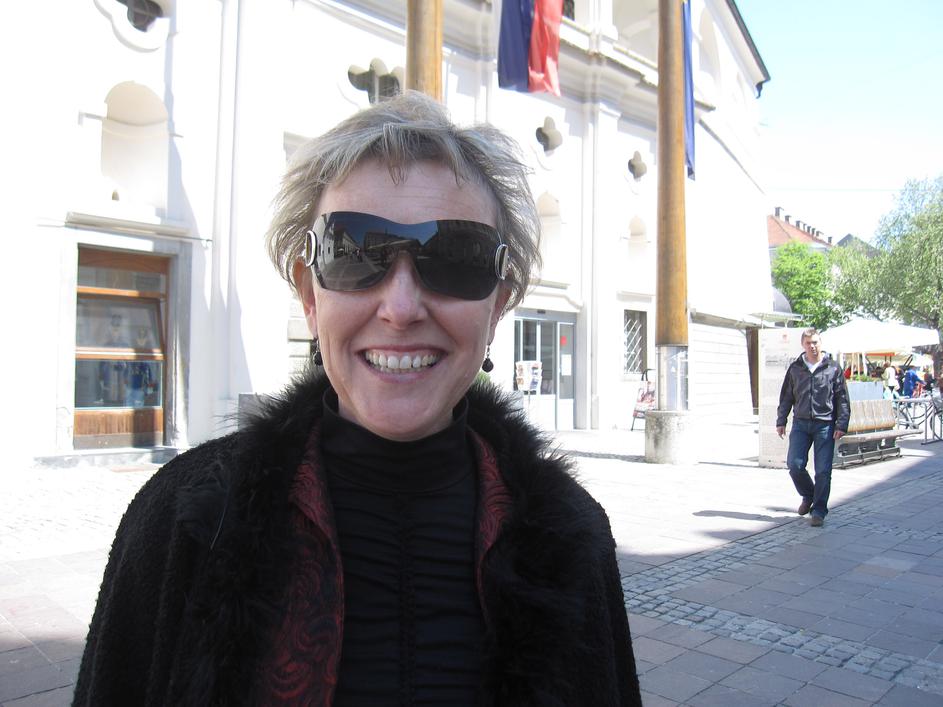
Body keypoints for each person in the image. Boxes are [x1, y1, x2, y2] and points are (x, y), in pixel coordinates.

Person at [74, 92, 642, 705]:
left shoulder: (572, 538)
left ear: (498, 305)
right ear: (309, 295)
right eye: (354, 252)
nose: (400, 308)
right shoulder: (182, 521)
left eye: (455, 259)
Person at [776, 328, 850, 527]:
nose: (812, 346)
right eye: (808, 343)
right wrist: (781, 420)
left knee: (823, 470)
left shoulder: (833, 368)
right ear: (803, 345)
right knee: (795, 465)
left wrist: (841, 424)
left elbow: (842, 398)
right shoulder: (795, 368)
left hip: (825, 424)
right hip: (801, 423)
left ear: (821, 343)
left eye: (815, 342)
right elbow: (787, 396)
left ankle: (818, 510)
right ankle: (809, 495)